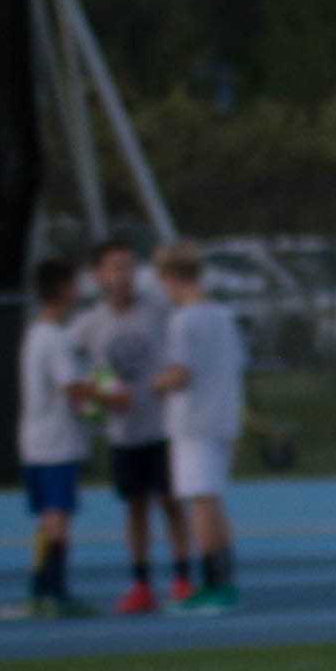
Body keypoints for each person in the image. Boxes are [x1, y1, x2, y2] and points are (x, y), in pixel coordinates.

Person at [149, 239, 249, 611]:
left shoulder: (184, 320)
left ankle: (211, 583)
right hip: (222, 417)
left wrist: (152, 384)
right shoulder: (222, 315)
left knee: (201, 504)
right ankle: (224, 578)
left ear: (171, 277)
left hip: (194, 422)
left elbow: (180, 373)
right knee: (213, 501)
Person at [80, 238, 171, 614]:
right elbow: (84, 377)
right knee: (135, 509)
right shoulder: (90, 324)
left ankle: (182, 578)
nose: (125, 275)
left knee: (173, 505)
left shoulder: (157, 310)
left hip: (161, 428)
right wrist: (100, 402)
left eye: (130, 267)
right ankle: (140, 583)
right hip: (124, 433)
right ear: (100, 275)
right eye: (116, 267)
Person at [12, 258, 97, 620]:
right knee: (58, 516)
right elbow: (72, 388)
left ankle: (38, 589)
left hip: (34, 438)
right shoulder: (57, 337)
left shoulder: (35, 333)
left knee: (47, 518)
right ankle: (54, 590)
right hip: (56, 440)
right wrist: (108, 392)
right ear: (63, 289)